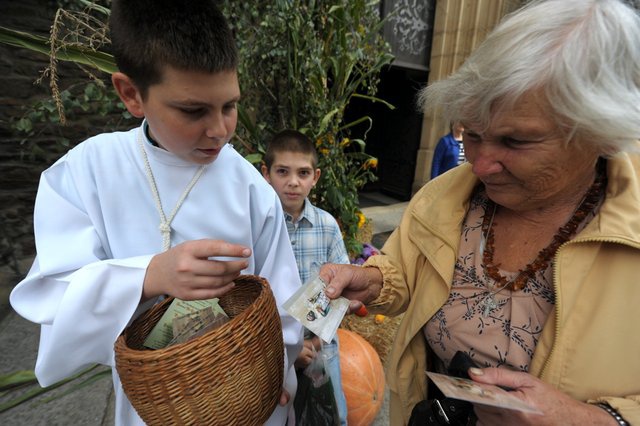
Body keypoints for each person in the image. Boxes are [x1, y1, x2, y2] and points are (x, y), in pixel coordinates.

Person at [319, 0, 640, 424]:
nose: (481, 164)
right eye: (473, 134)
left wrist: (597, 419)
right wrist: (375, 280)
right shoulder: (444, 198)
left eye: (516, 142)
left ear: (601, 134)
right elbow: (409, 276)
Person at [9, 1, 303, 425]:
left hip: (241, 398)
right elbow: (51, 294)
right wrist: (147, 277)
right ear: (131, 94)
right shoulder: (86, 172)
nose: (219, 129)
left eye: (229, 106)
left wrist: (278, 375)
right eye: (193, 110)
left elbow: (283, 304)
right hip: (152, 403)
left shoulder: (251, 189)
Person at [262, 129, 350, 425]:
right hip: (273, 350)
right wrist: (290, 348)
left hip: (321, 347)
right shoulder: (260, 227)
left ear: (316, 176)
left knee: (328, 415)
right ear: (266, 174)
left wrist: (312, 341)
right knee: (275, 415)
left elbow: (343, 288)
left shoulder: (327, 227)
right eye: (283, 171)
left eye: (303, 173)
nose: (293, 182)